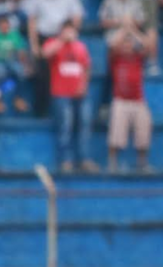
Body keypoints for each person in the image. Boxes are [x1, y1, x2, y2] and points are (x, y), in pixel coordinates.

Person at [42, 19, 97, 173]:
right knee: (65, 127)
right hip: (61, 93)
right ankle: (65, 161)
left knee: (84, 126)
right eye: (65, 30)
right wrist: (62, 40)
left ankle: (84, 159)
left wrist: (84, 86)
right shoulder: (53, 43)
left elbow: (86, 67)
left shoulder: (80, 46)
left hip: (80, 93)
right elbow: (45, 53)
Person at [107, 19, 156, 172]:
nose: (127, 47)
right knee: (116, 134)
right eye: (124, 45)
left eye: (129, 45)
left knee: (143, 131)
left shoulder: (138, 58)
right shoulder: (116, 59)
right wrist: (124, 29)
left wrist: (132, 30)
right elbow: (112, 44)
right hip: (120, 100)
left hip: (138, 100)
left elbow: (149, 45)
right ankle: (113, 163)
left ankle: (142, 163)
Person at [25, 0, 84, 117]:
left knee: (64, 74)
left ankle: (59, 112)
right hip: (43, 37)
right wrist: (34, 45)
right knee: (42, 75)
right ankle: (41, 112)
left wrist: (71, 34)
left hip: (64, 37)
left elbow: (77, 17)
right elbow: (32, 20)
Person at [0, 12, 30, 112]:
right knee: (0, 73)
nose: (4, 27)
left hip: (12, 60)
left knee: (21, 73)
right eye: (2, 25)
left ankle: (18, 99)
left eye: (6, 25)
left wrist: (24, 64)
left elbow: (21, 51)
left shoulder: (14, 35)